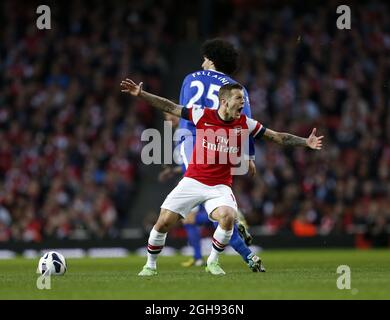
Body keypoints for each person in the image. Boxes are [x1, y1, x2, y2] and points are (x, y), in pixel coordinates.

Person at [120, 78, 323, 276]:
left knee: (228, 217)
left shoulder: (246, 124)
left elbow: (278, 136)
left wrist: (306, 142)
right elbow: (170, 106)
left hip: (219, 186)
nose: (243, 103)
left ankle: (213, 262)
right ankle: (150, 266)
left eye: (243, 99)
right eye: (238, 99)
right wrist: (141, 94)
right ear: (224, 101)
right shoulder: (202, 115)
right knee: (163, 222)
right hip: (193, 181)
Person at [177, 39, 259, 270]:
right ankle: (245, 251)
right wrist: (248, 156)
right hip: (223, 144)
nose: (202, 64)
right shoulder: (237, 88)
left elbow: (185, 113)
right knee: (209, 202)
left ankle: (243, 245)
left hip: (193, 141)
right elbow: (246, 123)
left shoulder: (190, 78)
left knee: (203, 202)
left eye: (205, 59)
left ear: (211, 60)